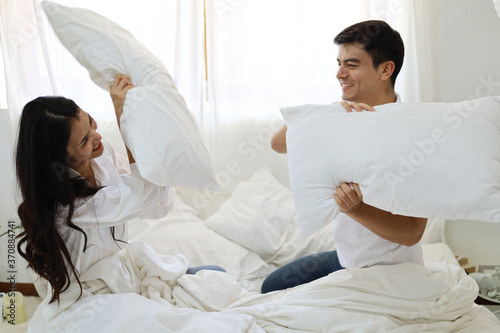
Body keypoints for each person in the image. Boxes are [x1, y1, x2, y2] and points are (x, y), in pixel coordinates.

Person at [16, 74, 223, 305]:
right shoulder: (65, 206)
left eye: (91, 122)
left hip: (123, 272)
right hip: (94, 297)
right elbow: (139, 192)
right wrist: (124, 117)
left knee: (216, 275)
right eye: (84, 141)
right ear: (59, 159)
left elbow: (155, 203)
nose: (97, 136)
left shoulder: (102, 156)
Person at [262, 20, 428, 293]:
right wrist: (331, 114)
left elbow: (412, 233)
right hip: (344, 258)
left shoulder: (413, 134)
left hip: (387, 270)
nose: (339, 73)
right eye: (338, 63)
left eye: (351, 64)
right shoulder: (341, 114)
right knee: (272, 286)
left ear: (385, 69)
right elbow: (278, 143)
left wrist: (356, 209)